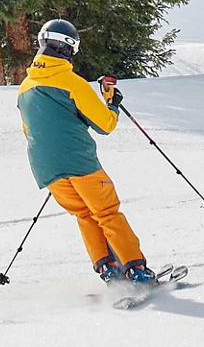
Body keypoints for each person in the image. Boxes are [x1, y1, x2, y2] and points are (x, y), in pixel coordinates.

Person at [15, 19, 163, 285]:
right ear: (70, 49)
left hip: (46, 168)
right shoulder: (72, 82)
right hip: (79, 163)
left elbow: (30, 131)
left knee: (84, 214)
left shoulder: (24, 88)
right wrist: (112, 104)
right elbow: (105, 125)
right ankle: (136, 271)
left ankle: (109, 270)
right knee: (106, 212)